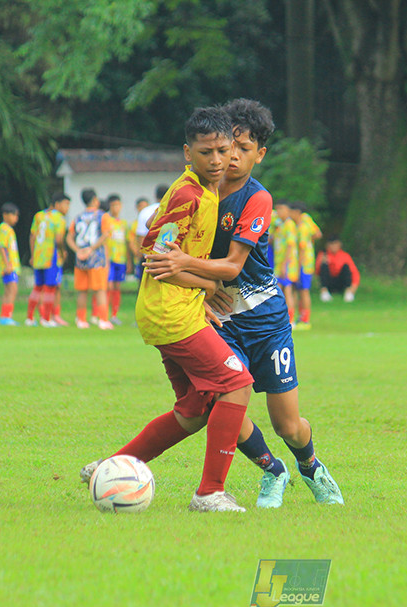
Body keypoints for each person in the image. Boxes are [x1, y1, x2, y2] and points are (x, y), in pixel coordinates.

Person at [142, 99, 344, 508]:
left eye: (242, 148)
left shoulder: (257, 199)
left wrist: (185, 265)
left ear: (259, 154)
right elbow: (157, 238)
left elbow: (233, 266)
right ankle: (272, 470)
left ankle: (310, 466)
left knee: (287, 424)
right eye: (225, 146)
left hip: (266, 319)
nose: (229, 157)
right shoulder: (197, 189)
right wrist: (189, 278)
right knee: (224, 398)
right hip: (220, 319)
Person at [82, 106, 254, 513]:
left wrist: (199, 292)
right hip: (170, 313)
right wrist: (207, 285)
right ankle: (209, 494)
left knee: (194, 410)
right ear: (187, 153)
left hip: (177, 310)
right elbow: (158, 259)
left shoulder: (207, 189)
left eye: (223, 150)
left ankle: (109, 469)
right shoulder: (187, 195)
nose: (217, 160)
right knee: (236, 383)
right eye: (206, 152)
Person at [66, 188, 113, 330]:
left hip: (81, 258)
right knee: (100, 290)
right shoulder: (102, 216)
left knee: (82, 290)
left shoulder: (78, 217)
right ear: (95, 200)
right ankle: (103, 319)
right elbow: (105, 234)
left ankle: (81, 320)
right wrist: (92, 249)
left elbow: (69, 237)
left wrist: (78, 250)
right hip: (96, 257)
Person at [26, 192, 70, 327]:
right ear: (57, 204)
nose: (67, 208)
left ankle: (30, 317)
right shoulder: (59, 218)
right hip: (51, 257)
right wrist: (62, 252)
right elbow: (59, 239)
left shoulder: (39, 215)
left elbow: (32, 236)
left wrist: (33, 255)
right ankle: (46, 318)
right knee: (50, 288)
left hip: (39, 256)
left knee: (38, 287)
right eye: (66, 204)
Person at [289, 200, 321, 329]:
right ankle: (300, 317)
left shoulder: (302, 226)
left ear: (297, 212)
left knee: (303, 290)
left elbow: (302, 248)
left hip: (304, 263)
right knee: (297, 289)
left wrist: (298, 266)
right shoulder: (306, 219)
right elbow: (318, 233)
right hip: (306, 261)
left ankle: (305, 319)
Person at [104, 194, 131, 325]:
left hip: (121, 259)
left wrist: (129, 261)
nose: (116, 208)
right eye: (113, 205)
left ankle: (114, 314)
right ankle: (103, 314)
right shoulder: (107, 221)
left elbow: (127, 242)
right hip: (109, 258)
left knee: (117, 287)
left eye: (118, 205)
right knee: (107, 286)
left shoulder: (123, 223)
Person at [271, 199, 299, 323]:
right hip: (278, 262)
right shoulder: (279, 224)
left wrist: (284, 265)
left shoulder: (289, 224)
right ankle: (280, 318)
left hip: (287, 264)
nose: (279, 212)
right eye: (277, 209)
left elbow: (290, 245)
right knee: (278, 290)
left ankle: (290, 319)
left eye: (281, 209)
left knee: (287, 290)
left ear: (288, 210)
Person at [134, 185, 168, 281]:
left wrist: (141, 256)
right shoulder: (172, 209)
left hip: (148, 256)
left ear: (155, 195)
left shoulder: (145, 211)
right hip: (166, 255)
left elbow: (141, 236)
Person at [0, 202, 21, 325]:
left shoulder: (9, 229)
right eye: (13, 215)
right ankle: (7, 316)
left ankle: (4, 316)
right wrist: (7, 264)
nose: (15, 218)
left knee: (9, 290)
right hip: (9, 266)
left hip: (12, 265)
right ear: (5, 215)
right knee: (12, 289)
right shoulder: (4, 229)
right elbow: (2, 247)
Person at [318, 235, 360, 303]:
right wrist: (321, 262)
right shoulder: (323, 255)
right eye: (331, 244)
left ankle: (348, 293)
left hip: (341, 282)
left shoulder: (345, 256)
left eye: (335, 244)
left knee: (346, 267)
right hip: (329, 282)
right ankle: (324, 293)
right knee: (324, 265)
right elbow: (318, 272)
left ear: (339, 244)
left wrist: (353, 288)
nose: (333, 246)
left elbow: (354, 273)